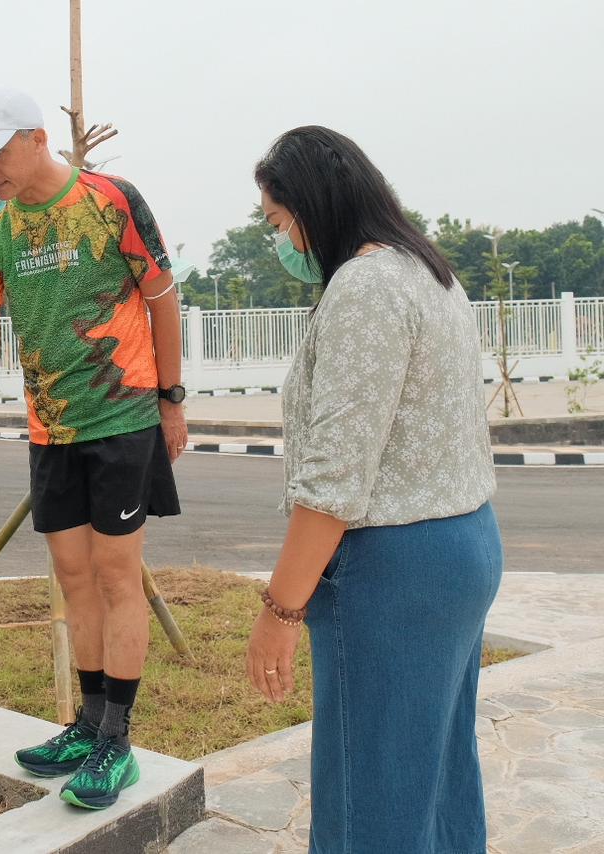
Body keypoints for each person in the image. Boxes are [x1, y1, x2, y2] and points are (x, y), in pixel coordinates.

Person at [246, 125, 501, 852]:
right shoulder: (426, 271)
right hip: (461, 543)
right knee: (436, 777)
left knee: (374, 797)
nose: (280, 239)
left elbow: (334, 481)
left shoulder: (365, 288)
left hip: (396, 571)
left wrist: (279, 610)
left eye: (276, 221)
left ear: (312, 206)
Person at [0, 86, 187, 810]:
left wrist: (172, 401)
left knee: (116, 575)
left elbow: (162, 297)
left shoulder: (112, 201)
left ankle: (119, 741)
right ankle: (87, 721)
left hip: (122, 418)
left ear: (37, 139)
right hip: (51, 430)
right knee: (73, 577)